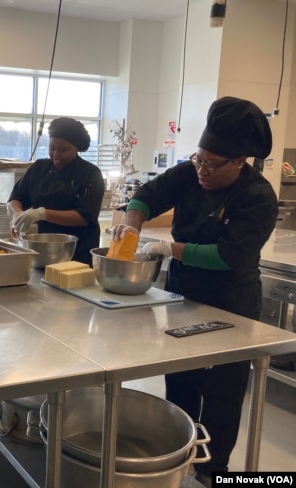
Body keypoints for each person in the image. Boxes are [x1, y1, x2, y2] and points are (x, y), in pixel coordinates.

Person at [111, 96, 278, 486]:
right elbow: (146, 197)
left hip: (231, 305)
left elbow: (230, 256)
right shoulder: (191, 173)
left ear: (240, 161)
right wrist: (133, 224)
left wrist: (171, 250)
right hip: (183, 297)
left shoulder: (257, 197)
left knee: (222, 392)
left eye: (211, 164)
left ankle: (213, 471)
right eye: (197, 159)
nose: (201, 169)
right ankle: (179, 456)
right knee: (181, 381)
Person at [8, 116, 105, 265]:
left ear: (76, 148)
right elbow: (16, 198)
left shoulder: (90, 174)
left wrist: (42, 213)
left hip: (78, 252)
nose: (56, 155)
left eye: (63, 150)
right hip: (44, 248)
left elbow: (84, 216)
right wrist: (18, 215)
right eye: (52, 148)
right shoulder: (39, 168)